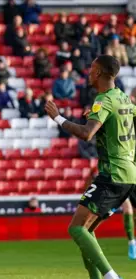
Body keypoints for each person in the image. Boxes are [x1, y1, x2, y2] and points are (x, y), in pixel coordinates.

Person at [44, 55, 134, 279]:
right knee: (86, 231)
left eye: (92, 68)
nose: (89, 72)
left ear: (100, 73)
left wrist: (58, 118)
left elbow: (86, 134)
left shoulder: (104, 100)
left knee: (76, 228)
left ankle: (111, 277)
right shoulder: (125, 100)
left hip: (113, 173)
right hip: (127, 173)